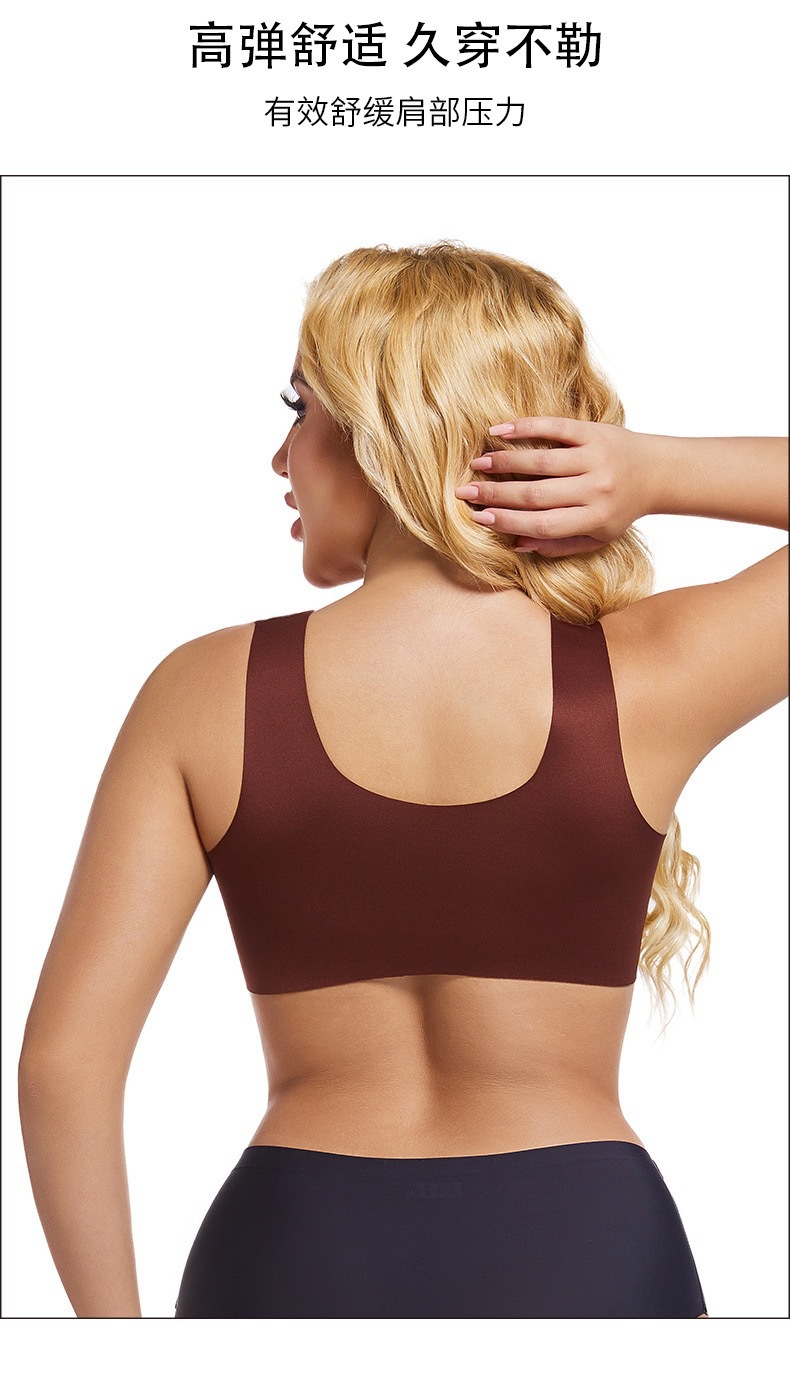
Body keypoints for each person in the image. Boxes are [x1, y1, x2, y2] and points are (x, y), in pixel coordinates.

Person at [18, 242, 787, 1319]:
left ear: (385, 429)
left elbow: (63, 1066)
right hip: (583, 1248)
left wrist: (116, 1361)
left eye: (300, 409)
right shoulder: (651, 676)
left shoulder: (203, 692)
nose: (279, 456)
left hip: (291, 1250)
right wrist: (656, 472)